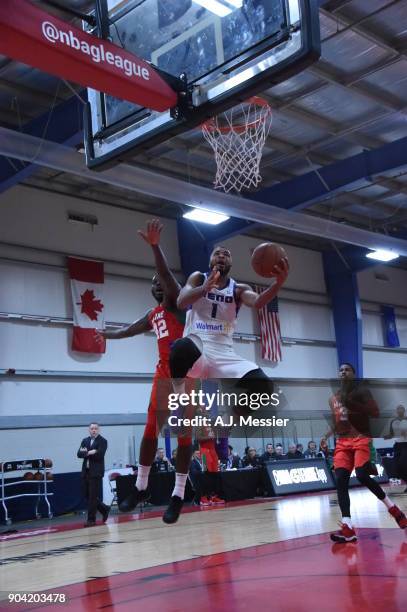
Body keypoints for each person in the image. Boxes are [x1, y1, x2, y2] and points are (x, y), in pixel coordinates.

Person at [163, 244, 288, 523]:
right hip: (198, 347)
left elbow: (259, 302)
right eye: (217, 252)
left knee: (266, 390)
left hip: (224, 354)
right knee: (179, 348)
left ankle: (227, 422)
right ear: (210, 259)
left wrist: (277, 283)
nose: (221, 255)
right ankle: (180, 398)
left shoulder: (238, 289)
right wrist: (205, 288)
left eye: (227, 253)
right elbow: (182, 302)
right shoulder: (197, 278)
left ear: (231, 262)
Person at [97, 219, 189, 513]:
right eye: (154, 284)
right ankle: (140, 488)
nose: (158, 285)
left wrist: (155, 246)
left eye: (160, 282)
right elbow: (130, 330)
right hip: (163, 374)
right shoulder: (154, 313)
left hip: (186, 375)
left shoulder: (178, 304)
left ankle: (178, 493)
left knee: (184, 435)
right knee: (151, 428)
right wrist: (107, 334)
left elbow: (164, 273)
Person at [327, 363, 407, 543]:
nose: (343, 372)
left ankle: (394, 509)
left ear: (354, 374)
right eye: (340, 370)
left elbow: (375, 413)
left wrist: (353, 404)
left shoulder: (362, 392)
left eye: (347, 369)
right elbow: (337, 421)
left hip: (361, 438)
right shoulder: (333, 398)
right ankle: (347, 527)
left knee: (363, 475)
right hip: (342, 441)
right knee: (340, 480)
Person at [77, 423, 110, 527]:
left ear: (98, 430)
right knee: (87, 495)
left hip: (96, 472)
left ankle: (91, 520)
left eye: (96, 428)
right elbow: (79, 454)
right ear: (89, 430)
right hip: (86, 471)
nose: (94, 430)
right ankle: (104, 509)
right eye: (92, 429)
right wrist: (91, 452)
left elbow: (100, 455)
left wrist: (87, 452)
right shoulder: (85, 440)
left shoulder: (102, 441)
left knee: (92, 497)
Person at [384, 404, 407, 491]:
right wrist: (386, 437)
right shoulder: (393, 421)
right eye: (398, 409)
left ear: (404, 410)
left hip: (406, 444)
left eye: (401, 409)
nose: (399, 411)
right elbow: (392, 434)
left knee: (402, 464)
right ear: (396, 411)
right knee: (397, 467)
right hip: (397, 445)